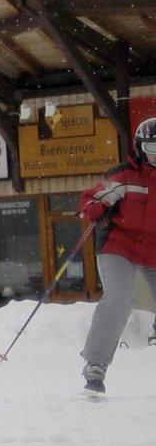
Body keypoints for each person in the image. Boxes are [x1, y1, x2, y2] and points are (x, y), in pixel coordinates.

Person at [78, 117, 156, 395]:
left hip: (153, 250)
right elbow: (91, 198)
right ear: (139, 148)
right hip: (118, 245)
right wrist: (95, 207)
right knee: (120, 298)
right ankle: (95, 365)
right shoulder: (124, 176)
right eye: (152, 149)